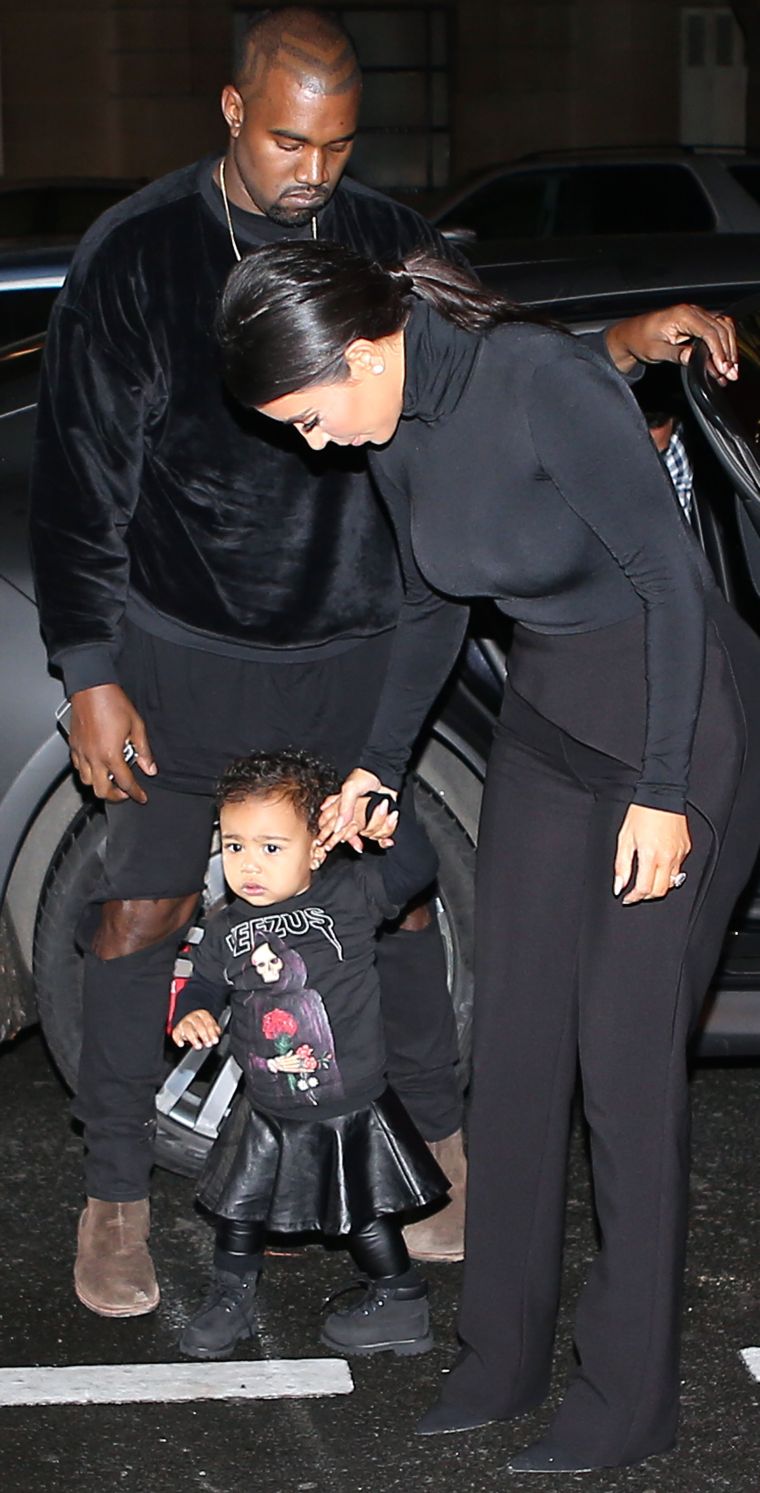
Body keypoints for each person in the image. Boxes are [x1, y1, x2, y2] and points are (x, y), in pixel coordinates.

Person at [28, 3, 740, 1317]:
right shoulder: (138, 258)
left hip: (358, 643)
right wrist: (87, 665)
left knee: (400, 902)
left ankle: (437, 1153)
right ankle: (116, 1191)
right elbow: (77, 484)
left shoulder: (376, 239)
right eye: (292, 138)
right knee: (143, 912)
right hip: (185, 649)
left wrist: (622, 350)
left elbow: (490, 369)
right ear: (234, 112)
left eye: (341, 145)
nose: (315, 172)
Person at [212, 239, 760, 1473]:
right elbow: (427, 599)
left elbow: (670, 586)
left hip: (679, 720)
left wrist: (666, 793)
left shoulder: (540, 382)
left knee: (621, 1073)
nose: (312, 443)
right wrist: (375, 761)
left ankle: (629, 1398)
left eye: (307, 414)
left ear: (361, 352)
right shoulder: (390, 416)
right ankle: (500, 1353)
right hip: (553, 724)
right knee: (511, 1047)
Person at [169, 748, 447, 1361]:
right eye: (235, 845)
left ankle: (400, 1298)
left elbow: (417, 868)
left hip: (346, 1104)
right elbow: (207, 981)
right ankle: (230, 1297)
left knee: (364, 1214)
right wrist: (193, 1008)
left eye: (272, 847)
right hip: (266, 1101)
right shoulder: (224, 925)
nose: (250, 865)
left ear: (318, 848)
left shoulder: (351, 893)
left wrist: (390, 824)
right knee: (238, 1210)